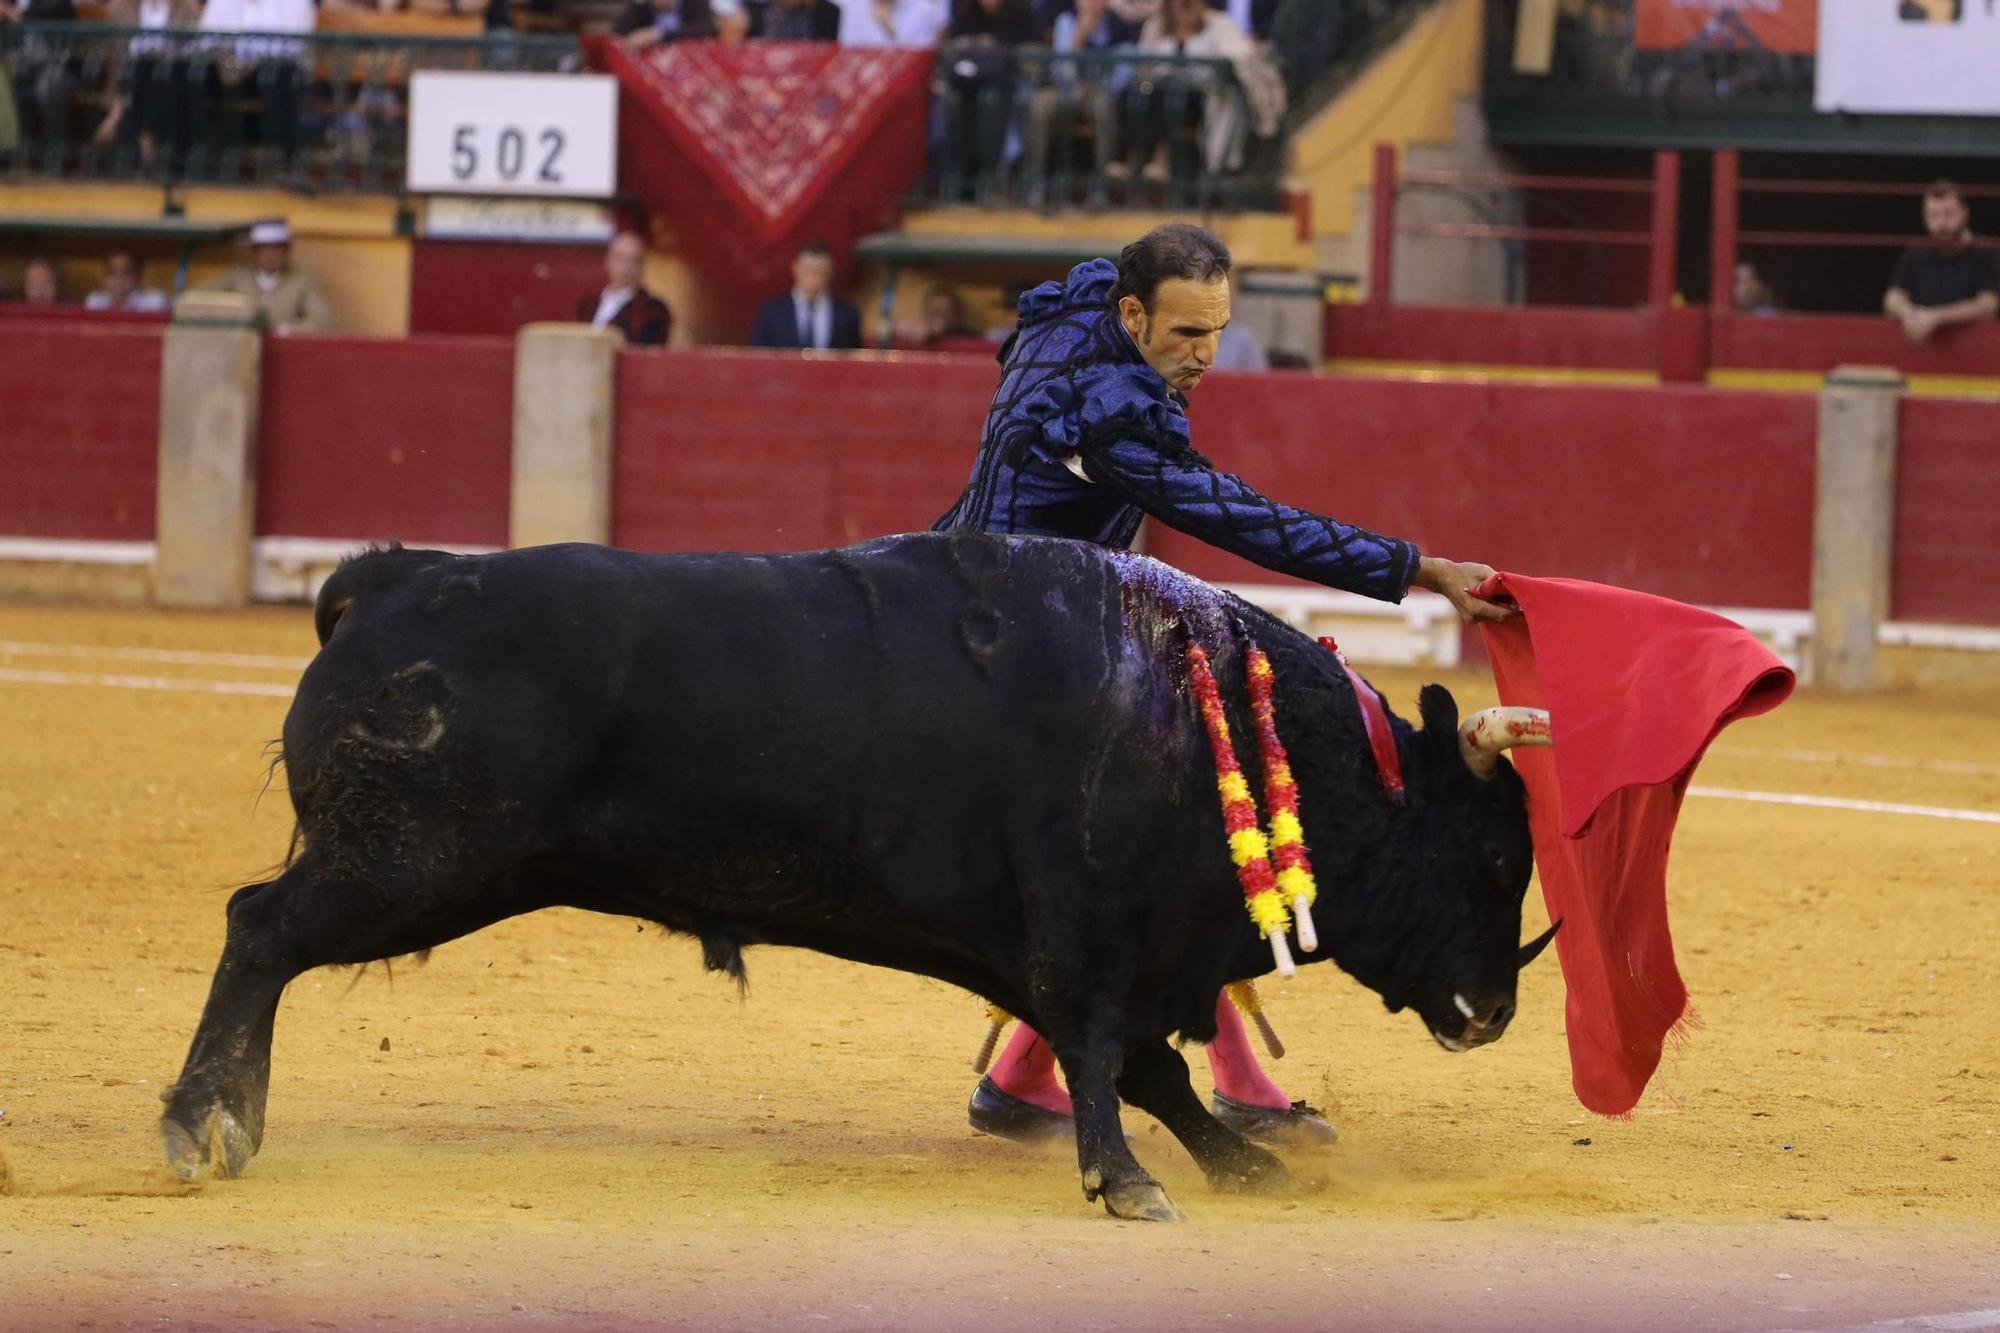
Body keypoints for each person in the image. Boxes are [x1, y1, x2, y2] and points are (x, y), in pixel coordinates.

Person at [933, 223, 1511, 1149]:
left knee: (1165, 818)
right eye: (1187, 336)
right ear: (1132, 313)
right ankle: (1229, 1075)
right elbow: (1248, 523)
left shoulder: (1081, 314)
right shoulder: (1116, 409)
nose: (1207, 357)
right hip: (1014, 660)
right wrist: (1418, 567)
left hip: (979, 606)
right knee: (1184, 817)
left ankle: (1026, 1078)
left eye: (1217, 330)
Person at [1884, 180, 1999, 346]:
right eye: (1933, 216)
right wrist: (1910, 314)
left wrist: (1935, 318)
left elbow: (1988, 306)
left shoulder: (1984, 252)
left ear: (1965, 214)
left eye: (1948, 214)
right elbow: (1892, 298)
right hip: (1922, 352)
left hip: (1972, 351)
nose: (1941, 223)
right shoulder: (1915, 253)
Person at [205, 218, 335, 333]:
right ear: (255, 252)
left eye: (276, 250)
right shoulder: (238, 276)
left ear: (286, 252)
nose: (270, 256)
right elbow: (201, 297)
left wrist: (285, 330)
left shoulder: (300, 280)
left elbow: (322, 319)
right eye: (265, 250)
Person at [749, 242, 864, 350]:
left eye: (820, 272)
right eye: (808, 271)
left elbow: (854, 358)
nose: (814, 278)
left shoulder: (847, 315)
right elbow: (758, 357)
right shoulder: (771, 313)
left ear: (830, 272)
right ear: (795, 268)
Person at [578, 231, 672, 346]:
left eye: (633, 261)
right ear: (608, 261)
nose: (625, 268)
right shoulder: (589, 304)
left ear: (641, 267)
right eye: (619, 259)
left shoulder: (652, 309)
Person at [85, 248, 171, 312]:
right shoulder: (95, 301)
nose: (120, 279)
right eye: (113, 272)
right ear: (104, 277)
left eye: (127, 273)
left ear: (138, 277)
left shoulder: (155, 302)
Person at [834, 0, 948, 47]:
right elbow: (848, 54)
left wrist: (890, 31)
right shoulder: (854, 6)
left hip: (903, 89)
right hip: (861, 86)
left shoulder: (923, 11)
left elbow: (919, 62)